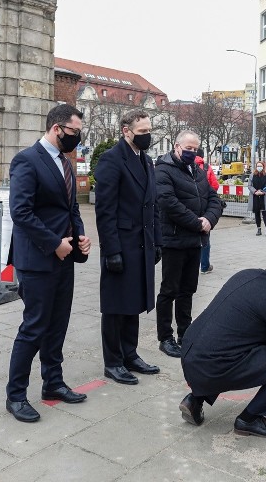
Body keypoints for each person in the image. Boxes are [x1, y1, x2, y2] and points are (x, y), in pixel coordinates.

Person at [5, 104, 92, 423]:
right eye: (75, 132)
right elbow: (21, 213)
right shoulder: (27, 161)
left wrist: (80, 237)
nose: (78, 139)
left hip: (64, 259)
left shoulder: (65, 164)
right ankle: (15, 396)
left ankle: (53, 383)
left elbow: (72, 210)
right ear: (57, 128)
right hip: (38, 260)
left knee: (57, 326)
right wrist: (54, 243)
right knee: (33, 328)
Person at [178, 251, 266, 437]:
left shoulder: (247, 274)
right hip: (214, 366)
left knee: (233, 345)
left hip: (191, 355)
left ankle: (195, 400)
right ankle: (250, 419)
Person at [94, 109, 162, 386]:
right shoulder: (112, 160)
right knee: (115, 306)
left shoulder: (146, 161)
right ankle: (113, 361)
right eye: (143, 132)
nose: (148, 136)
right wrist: (111, 250)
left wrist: (157, 242)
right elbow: (105, 210)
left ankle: (130, 354)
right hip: (121, 244)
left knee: (133, 301)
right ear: (126, 131)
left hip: (143, 243)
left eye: (149, 131)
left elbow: (153, 206)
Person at [155, 130, 223, 358]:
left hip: (195, 241)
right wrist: (197, 223)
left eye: (195, 149)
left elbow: (214, 198)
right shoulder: (163, 170)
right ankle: (165, 337)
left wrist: (209, 220)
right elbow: (169, 203)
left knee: (188, 290)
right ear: (176, 146)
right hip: (174, 240)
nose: (192, 152)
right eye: (188, 148)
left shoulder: (198, 170)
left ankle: (185, 333)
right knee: (169, 290)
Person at [195, 148, 220, 274]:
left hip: (190, 208)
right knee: (205, 236)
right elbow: (215, 185)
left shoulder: (184, 165)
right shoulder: (206, 167)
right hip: (204, 207)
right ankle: (204, 266)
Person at [248, 160, 266, 237]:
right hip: (255, 196)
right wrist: (255, 191)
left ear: (263, 167)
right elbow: (249, 185)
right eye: (258, 166)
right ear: (256, 167)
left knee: (265, 213)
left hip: (263, 196)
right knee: (257, 213)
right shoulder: (252, 175)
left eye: (261, 166)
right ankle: (259, 229)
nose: (259, 167)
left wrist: (263, 192)